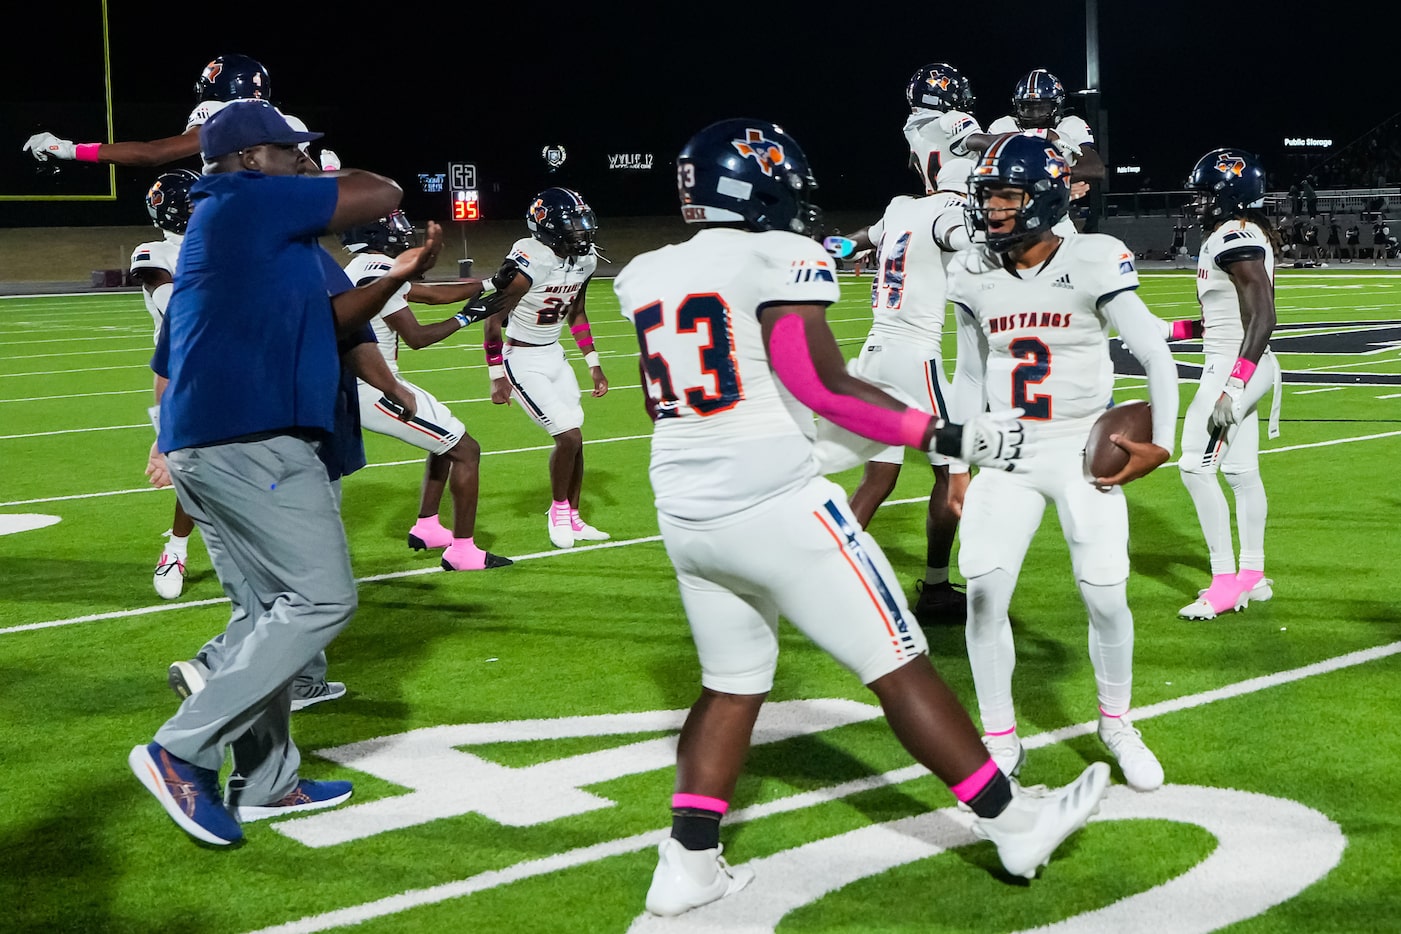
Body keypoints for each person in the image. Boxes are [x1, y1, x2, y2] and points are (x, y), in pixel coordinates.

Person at [615, 117, 1109, 918]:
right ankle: (1012, 822)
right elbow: (821, 386)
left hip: (684, 506)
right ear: (759, 181)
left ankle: (688, 861)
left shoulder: (645, 271)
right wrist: (946, 432)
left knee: (730, 684)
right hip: (774, 498)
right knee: (900, 660)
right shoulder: (779, 256)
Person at [126, 100, 410, 847]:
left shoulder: (233, 236)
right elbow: (381, 191)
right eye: (289, 151)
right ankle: (180, 749)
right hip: (251, 439)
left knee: (264, 613)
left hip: (209, 441)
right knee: (321, 600)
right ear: (251, 158)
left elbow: (328, 321)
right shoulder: (247, 201)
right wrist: (326, 174)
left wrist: (403, 274)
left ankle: (268, 780)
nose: (302, 162)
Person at [946, 133, 1181, 793]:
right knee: (984, 594)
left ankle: (1115, 722)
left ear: (1042, 197)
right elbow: (968, 373)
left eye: (1004, 195)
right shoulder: (973, 273)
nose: (990, 208)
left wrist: (1160, 442)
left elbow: (1155, 353)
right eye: (986, 195)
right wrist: (959, 460)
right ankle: (999, 737)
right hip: (1007, 450)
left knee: (1104, 597)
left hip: (1081, 446)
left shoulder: (1092, 258)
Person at [820, 158, 978, 626]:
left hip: (873, 353)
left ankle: (824, 577)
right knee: (954, 479)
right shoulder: (952, 213)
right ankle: (935, 587)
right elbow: (964, 236)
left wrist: (821, 245)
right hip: (913, 359)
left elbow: (848, 245)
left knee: (879, 478)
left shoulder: (900, 207)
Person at [339, 211, 513, 571]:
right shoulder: (377, 271)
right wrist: (467, 318)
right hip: (372, 386)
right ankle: (463, 552)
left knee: (447, 440)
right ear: (376, 234)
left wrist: (489, 284)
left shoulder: (365, 266)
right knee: (466, 450)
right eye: (394, 227)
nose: (403, 233)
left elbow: (431, 295)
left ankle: (427, 527)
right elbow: (417, 337)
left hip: (375, 378)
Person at [1171, 148, 1281, 620]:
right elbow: (1220, 317)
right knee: (1239, 472)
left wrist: (1234, 386)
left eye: (1202, 194)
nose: (1195, 203)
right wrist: (1170, 332)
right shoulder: (1234, 234)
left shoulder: (1233, 237)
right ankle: (1252, 576)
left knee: (1194, 468)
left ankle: (1222, 584)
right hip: (1240, 360)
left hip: (1236, 367)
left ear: (1225, 195)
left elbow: (1264, 315)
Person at [479, 187, 610, 548]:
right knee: (567, 435)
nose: (581, 231)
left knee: (577, 439)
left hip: (554, 354)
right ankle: (558, 509)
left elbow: (577, 313)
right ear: (548, 227)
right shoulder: (530, 262)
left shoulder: (584, 261)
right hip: (521, 358)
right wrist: (495, 375)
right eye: (572, 224)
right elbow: (492, 318)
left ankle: (575, 517)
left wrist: (593, 364)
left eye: (583, 223)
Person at [22, 53, 337, 171]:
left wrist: (69, 150)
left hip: (242, 233)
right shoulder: (291, 123)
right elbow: (316, 186)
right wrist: (332, 175)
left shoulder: (217, 110)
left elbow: (152, 154)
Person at [132, 169, 201, 599]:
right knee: (191, 471)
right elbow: (173, 302)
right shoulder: (154, 251)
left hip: (236, 365)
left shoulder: (223, 243)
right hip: (180, 372)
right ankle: (176, 550)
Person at [976, 69, 1104, 237]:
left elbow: (1095, 169)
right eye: (1027, 107)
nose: (1033, 115)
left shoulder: (1071, 126)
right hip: (1012, 213)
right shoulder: (1003, 126)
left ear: (1057, 105)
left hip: (1055, 217)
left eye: (1041, 107)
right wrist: (1057, 183)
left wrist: (1054, 184)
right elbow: (992, 175)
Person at [901, 62, 983, 193]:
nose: (963, 97)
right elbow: (986, 143)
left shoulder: (913, 128)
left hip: (935, 201)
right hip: (963, 201)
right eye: (958, 93)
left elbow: (912, 164)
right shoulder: (950, 119)